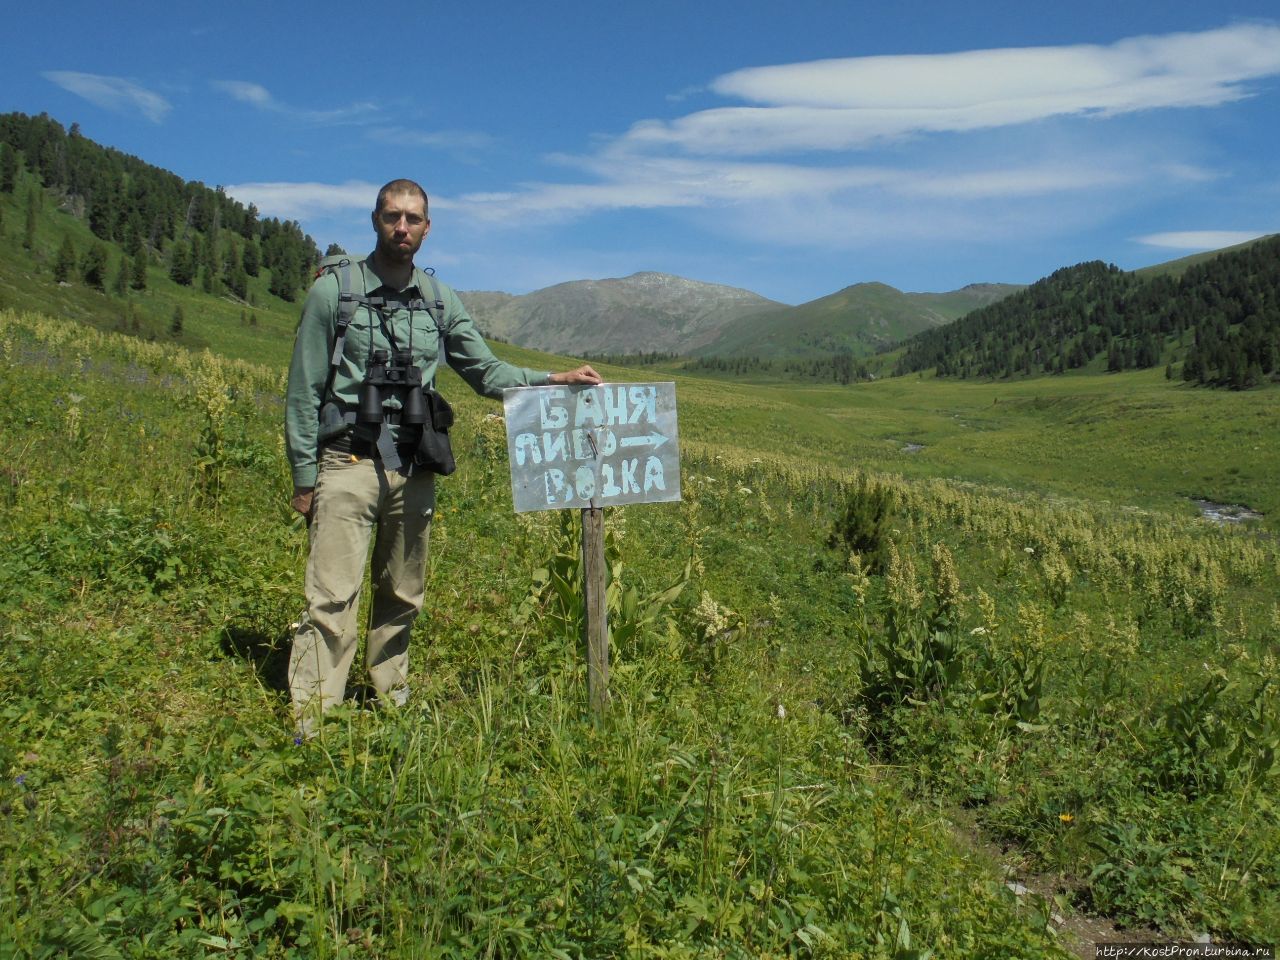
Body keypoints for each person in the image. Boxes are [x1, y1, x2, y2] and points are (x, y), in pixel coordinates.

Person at [284, 178, 600, 734]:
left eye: (413, 219)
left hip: (413, 461)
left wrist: (553, 379)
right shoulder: (333, 293)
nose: (401, 227)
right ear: (375, 220)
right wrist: (304, 477)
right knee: (333, 593)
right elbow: (305, 388)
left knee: (404, 588)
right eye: (391, 217)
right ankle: (314, 713)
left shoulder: (437, 299)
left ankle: (389, 693)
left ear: (428, 228)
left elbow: (485, 371)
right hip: (346, 460)